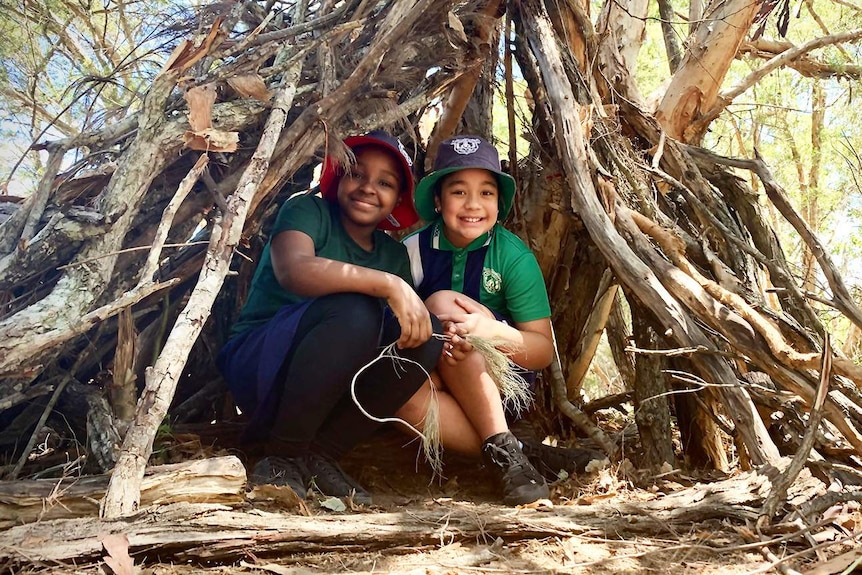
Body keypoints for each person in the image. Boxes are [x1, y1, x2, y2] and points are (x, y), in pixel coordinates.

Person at [218, 130, 444, 505]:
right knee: (354, 310)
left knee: (427, 334)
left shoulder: (392, 255)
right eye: (357, 173)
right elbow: (295, 269)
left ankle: (321, 456)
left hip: (334, 389)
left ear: (396, 200)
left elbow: (401, 332)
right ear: (338, 176)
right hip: (260, 364)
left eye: (385, 183)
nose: (368, 188)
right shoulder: (307, 211)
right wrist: (387, 285)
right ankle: (281, 455)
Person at [398, 135, 577, 506]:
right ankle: (515, 453)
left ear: (499, 202)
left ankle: (505, 452)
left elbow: (542, 349)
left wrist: (492, 332)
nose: (473, 205)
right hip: (431, 382)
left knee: (448, 313)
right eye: (459, 192)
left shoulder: (512, 257)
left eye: (486, 193)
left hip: (500, 383)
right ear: (437, 200)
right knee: (406, 400)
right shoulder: (413, 251)